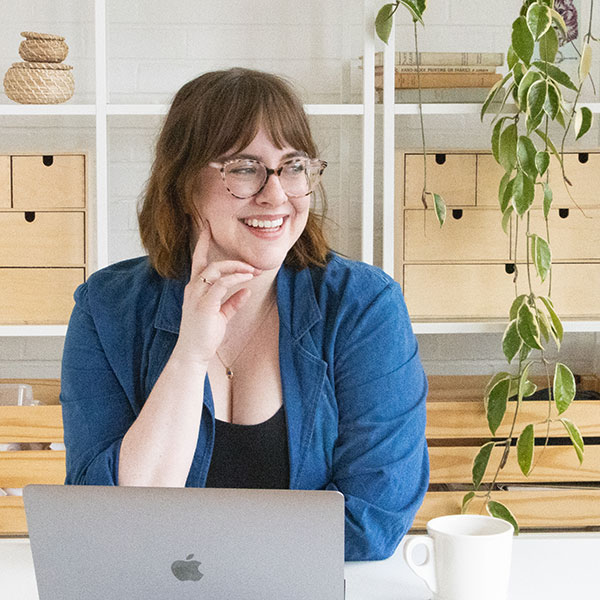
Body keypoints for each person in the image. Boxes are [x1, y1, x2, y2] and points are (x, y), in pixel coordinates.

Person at [60, 67, 429, 561]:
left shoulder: (363, 306)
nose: (276, 195)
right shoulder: (105, 309)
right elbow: (100, 518)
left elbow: (371, 523)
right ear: (185, 184)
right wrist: (189, 357)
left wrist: (198, 552)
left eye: (293, 166)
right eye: (244, 168)